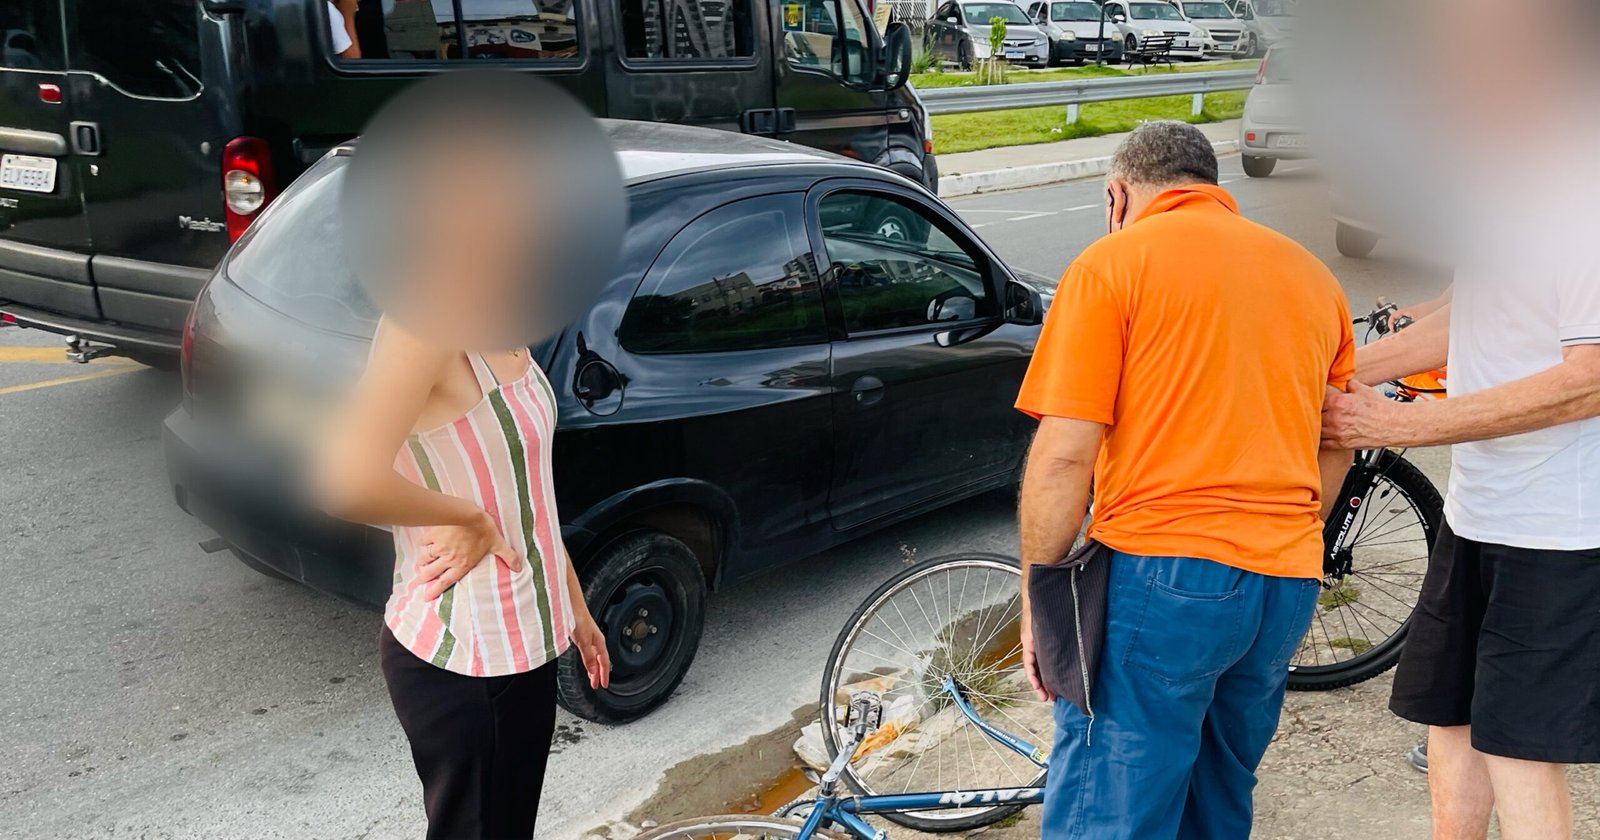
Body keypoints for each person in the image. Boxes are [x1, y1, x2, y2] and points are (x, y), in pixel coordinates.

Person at [1016, 120, 1355, 839]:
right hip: (1284, 584)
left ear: (1118, 194)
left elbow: (1064, 456)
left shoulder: (1112, 265)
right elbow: (1338, 442)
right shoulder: (1312, 278)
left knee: (1111, 804)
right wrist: (1287, 539)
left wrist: (1039, 596)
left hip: (1162, 576)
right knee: (1217, 795)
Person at [1326, 246, 1600, 839]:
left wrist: (1398, 424)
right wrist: (1330, 370)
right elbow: (1472, 314)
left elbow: (1590, 379)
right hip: (1476, 511)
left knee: (1518, 746)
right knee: (1450, 717)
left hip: (1558, 529)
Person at [316, 320, 611, 839]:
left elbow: (528, 495)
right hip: (470, 662)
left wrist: (575, 608)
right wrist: (468, 518)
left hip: (525, 652)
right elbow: (345, 482)